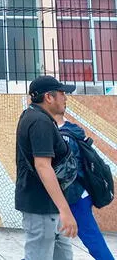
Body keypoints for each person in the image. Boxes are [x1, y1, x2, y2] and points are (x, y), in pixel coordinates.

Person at [16, 75, 78, 260]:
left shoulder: (34, 116)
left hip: (49, 206)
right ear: (48, 97)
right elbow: (43, 166)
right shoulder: (40, 122)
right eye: (61, 93)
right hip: (41, 205)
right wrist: (65, 210)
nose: (65, 98)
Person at [54, 114, 115, 260]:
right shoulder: (72, 129)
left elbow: (66, 172)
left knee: (93, 241)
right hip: (78, 194)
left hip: (75, 196)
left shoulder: (62, 136)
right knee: (46, 240)